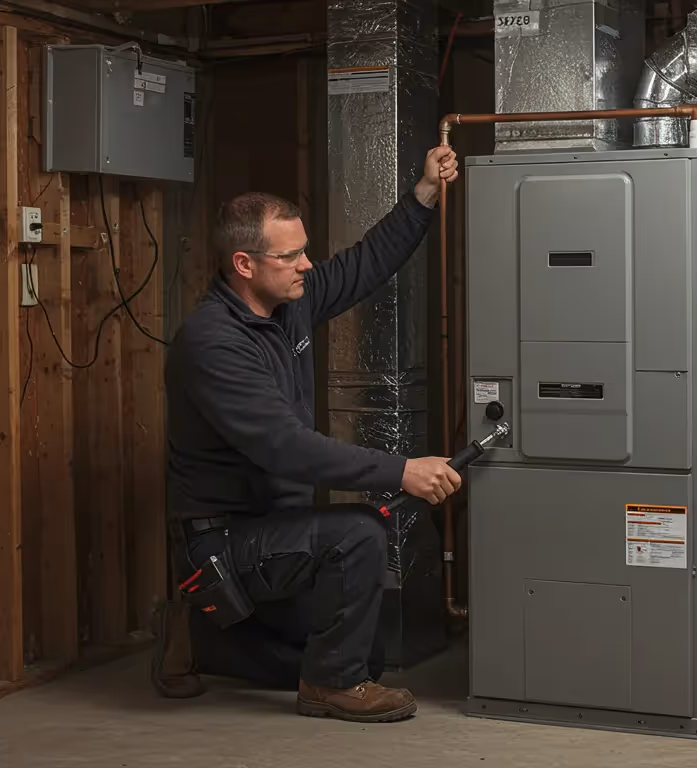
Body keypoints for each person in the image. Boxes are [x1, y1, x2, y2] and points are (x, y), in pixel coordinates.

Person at [150, 146, 463, 724]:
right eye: (290, 256)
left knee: (366, 653)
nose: (307, 265)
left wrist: (423, 195)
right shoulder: (214, 345)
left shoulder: (288, 302)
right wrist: (402, 471)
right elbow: (286, 448)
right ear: (245, 264)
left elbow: (365, 264)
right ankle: (327, 687)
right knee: (360, 534)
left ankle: (200, 638)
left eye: (304, 251)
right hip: (226, 539)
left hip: (278, 529)